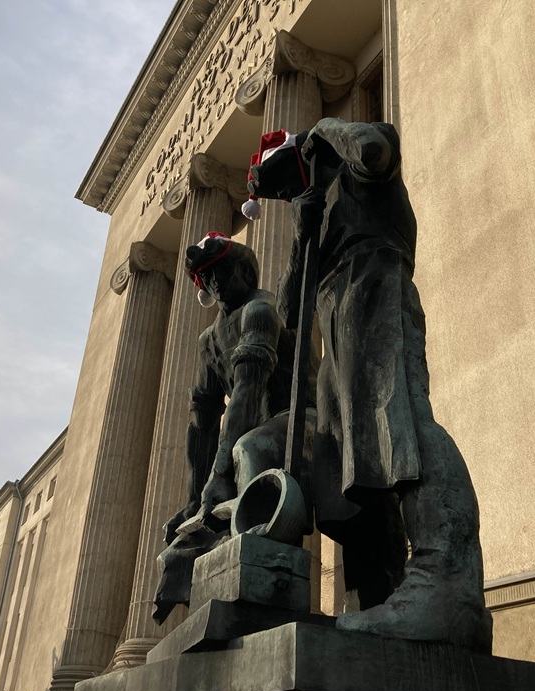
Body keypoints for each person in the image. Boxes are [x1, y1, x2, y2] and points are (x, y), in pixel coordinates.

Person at [242, 118, 492, 652]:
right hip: (335, 326)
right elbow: (290, 312)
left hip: (376, 290)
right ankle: (380, 597)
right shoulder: (316, 212)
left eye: (287, 179)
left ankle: (448, 583)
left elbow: (373, 148)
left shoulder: (361, 170)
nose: (287, 194)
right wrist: (303, 229)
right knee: (347, 476)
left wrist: (325, 127)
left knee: (401, 424)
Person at [153, 232, 315, 622]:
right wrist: (196, 498)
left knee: (249, 449)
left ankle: (269, 586)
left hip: (305, 418)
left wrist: (220, 472)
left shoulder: (261, 309)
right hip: (257, 429)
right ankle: (216, 593)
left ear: (244, 269)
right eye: (207, 277)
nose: (216, 282)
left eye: (222, 271)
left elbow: (247, 389)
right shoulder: (209, 341)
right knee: (201, 512)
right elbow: (203, 422)